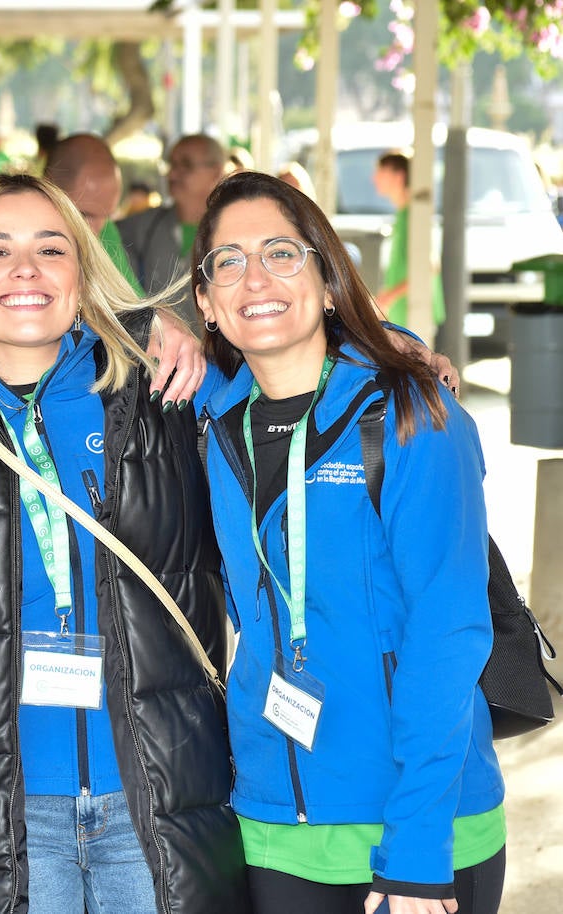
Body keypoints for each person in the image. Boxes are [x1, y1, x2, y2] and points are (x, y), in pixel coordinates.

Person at [0, 172, 245, 914]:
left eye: (51, 248)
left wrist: (410, 358)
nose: (25, 269)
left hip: (155, 805)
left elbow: (302, 370)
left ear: (84, 277)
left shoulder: (167, 393)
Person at [192, 171, 504, 914]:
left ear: (329, 280)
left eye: (281, 253)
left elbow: (448, 633)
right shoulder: (215, 423)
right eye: (228, 262)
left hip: (421, 825)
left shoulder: (411, 417)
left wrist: (418, 850)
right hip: (277, 824)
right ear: (205, 302)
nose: (256, 278)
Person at [116, 133, 228, 328]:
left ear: (216, 172)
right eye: (171, 164)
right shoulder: (139, 228)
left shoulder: (233, 230)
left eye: (186, 165)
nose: (172, 174)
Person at [44, 132, 144, 293]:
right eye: (84, 215)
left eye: (108, 216)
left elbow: (135, 306)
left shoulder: (106, 229)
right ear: (47, 188)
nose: (95, 232)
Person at [373, 150, 445, 331]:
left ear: (399, 176)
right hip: (402, 314)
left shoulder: (413, 216)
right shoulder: (403, 215)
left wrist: (390, 296)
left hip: (414, 313)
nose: (375, 179)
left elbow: (430, 266)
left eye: (382, 172)